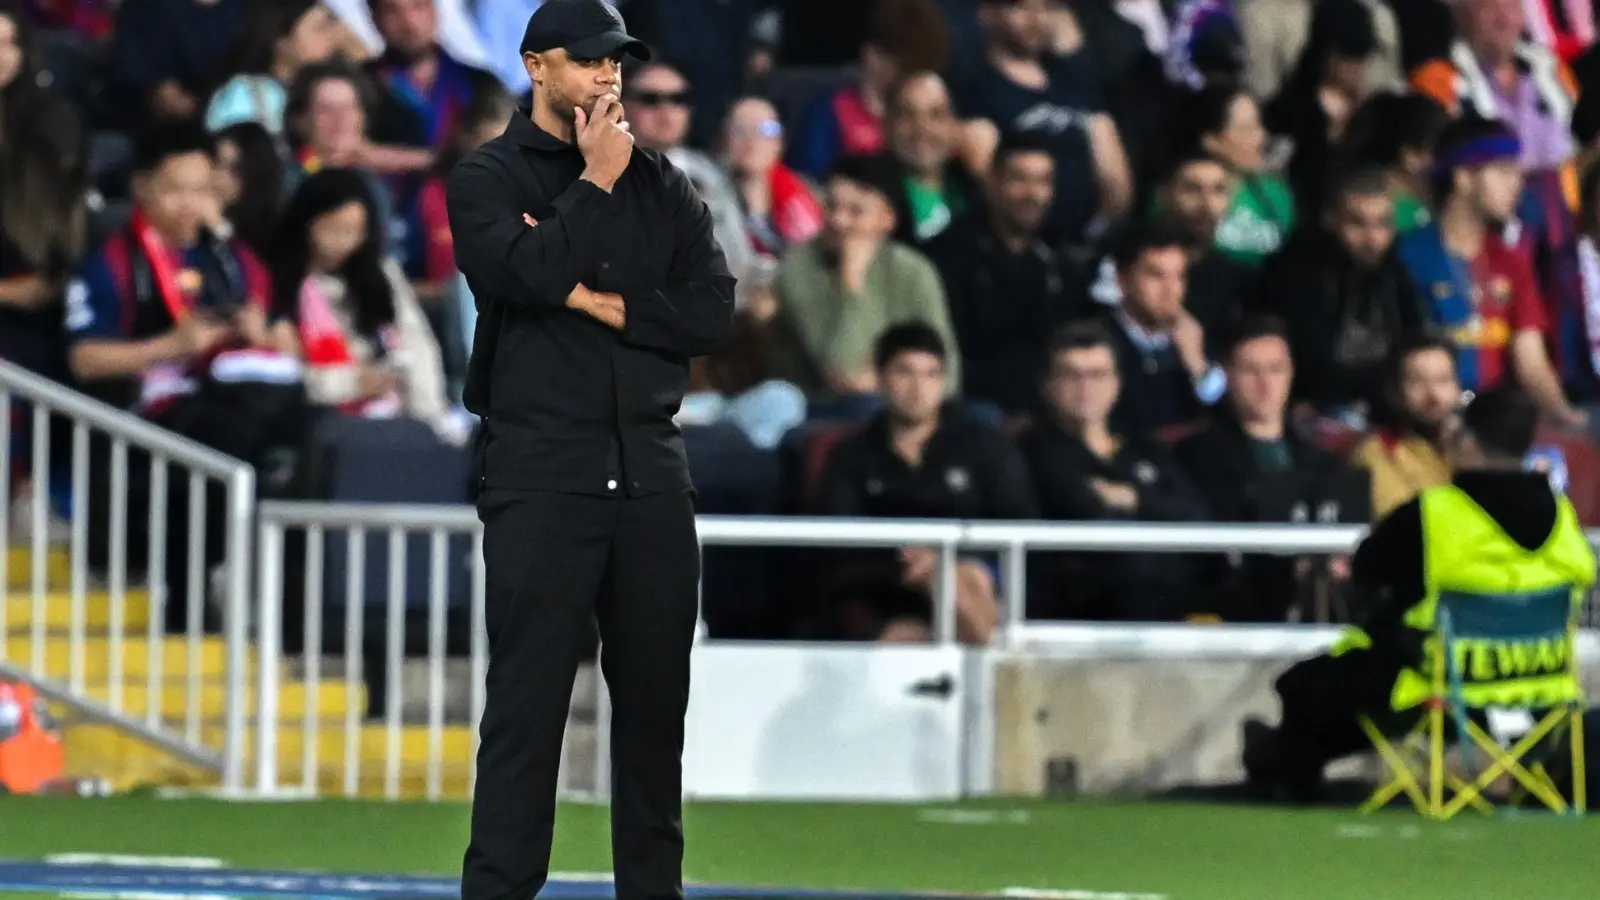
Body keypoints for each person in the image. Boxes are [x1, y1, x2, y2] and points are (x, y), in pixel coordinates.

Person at [444, 3, 735, 900]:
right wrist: (595, 185)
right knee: (526, 714)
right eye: (592, 61)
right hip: (541, 473)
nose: (610, 77)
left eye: (619, 62)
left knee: (654, 719)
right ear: (538, 67)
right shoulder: (487, 177)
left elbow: (711, 314)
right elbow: (519, 277)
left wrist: (596, 299)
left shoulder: (665, 183)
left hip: (651, 473)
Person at [1243, 386, 1596, 802]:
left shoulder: (1434, 514)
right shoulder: (1563, 518)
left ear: (1465, 440)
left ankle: (1287, 775)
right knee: (1350, 678)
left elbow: (1367, 568)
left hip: (1441, 690)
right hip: (1543, 695)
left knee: (1311, 685)